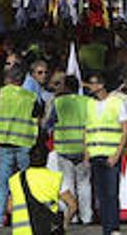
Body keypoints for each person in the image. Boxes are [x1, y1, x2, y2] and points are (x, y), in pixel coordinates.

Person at [0, 64, 45, 227]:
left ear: (9, 79)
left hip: (5, 142)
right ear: (23, 80)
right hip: (24, 143)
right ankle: (27, 216)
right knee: (25, 183)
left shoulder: (1, 93)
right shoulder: (30, 97)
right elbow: (39, 113)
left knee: (3, 183)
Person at [85, 71, 127, 235]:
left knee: (112, 193)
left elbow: (125, 130)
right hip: (95, 154)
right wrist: (86, 153)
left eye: (92, 83)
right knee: (101, 195)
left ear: (101, 85)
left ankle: (113, 228)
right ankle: (107, 228)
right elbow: (87, 129)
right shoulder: (89, 104)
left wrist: (117, 155)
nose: (89, 86)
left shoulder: (116, 102)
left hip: (111, 154)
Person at [45, 74, 93, 226]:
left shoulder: (58, 102)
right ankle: (87, 217)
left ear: (65, 87)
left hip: (64, 148)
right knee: (84, 184)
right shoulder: (87, 102)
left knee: (67, 183)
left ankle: (71, 216)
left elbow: (48, 124)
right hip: (83, 148)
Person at [6, 144, 76, 235]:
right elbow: (72, 205)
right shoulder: (55, 178)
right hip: (47, 231)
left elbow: (10, 208)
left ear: (29, 158)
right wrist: (64, 225)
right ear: (47, 158)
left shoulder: (16, 179)